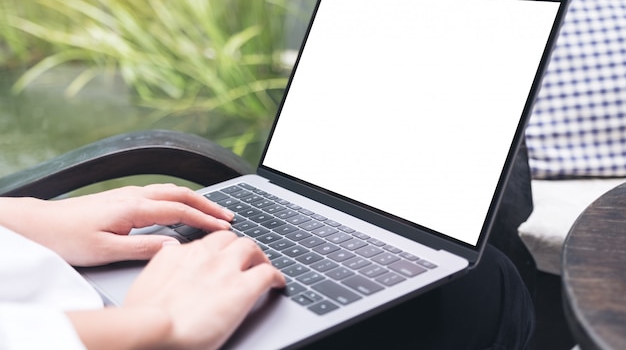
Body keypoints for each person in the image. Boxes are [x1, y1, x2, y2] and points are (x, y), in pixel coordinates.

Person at [0, 183, 534, 350]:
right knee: (487, 284)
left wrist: (28, 219)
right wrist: (154, 326)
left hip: (58, 286)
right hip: (107, 330)